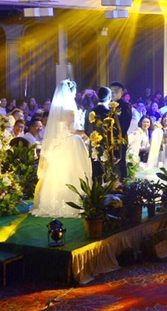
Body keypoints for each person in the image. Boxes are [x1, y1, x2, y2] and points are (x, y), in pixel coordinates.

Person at [32, 80, 92, 218]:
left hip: (59, 145)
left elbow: (58, 130)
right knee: (74, 171)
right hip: (71, 143)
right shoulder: (70, 110)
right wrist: (86, 132)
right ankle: (75, 201)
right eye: (74, 92)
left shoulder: (56, 109)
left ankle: (53, 200)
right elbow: (71, 130)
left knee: (58, 172)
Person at [84, 87, 112, 181]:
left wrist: (94, 139)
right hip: (107, 148)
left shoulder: (89, 111)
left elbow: (87, 130)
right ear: (109, 98)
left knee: (95, 175)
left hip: (93, 147)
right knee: (107, 176)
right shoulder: (109, 113)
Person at [110, 81, 133, 179]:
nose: (113, 94)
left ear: (121, 92)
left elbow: (125, 124)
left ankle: (122, 183)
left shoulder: (125, 105)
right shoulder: (107, 104)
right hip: (108, 139)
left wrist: (117, 137)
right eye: (111, 91)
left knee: (120, 162)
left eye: (115, 91)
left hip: (120, 138)